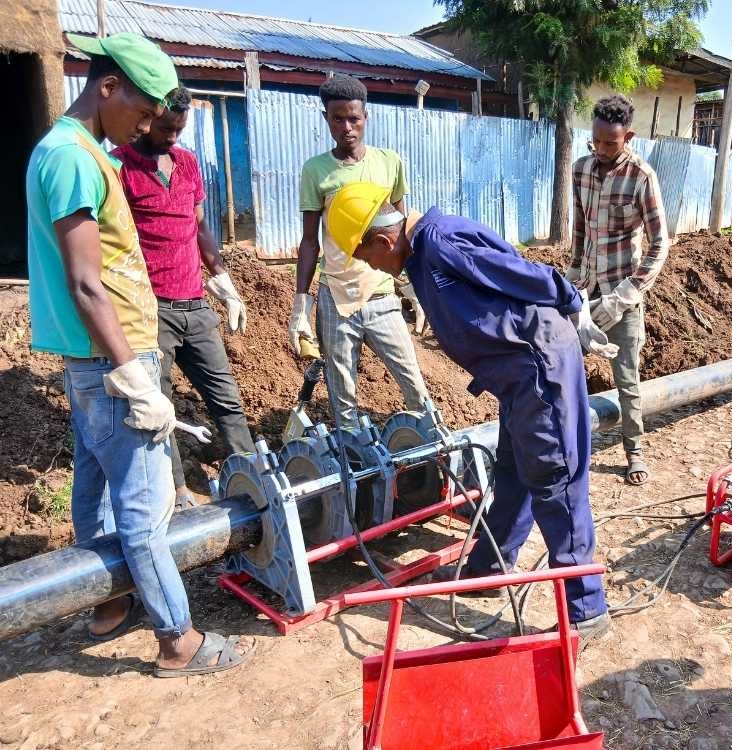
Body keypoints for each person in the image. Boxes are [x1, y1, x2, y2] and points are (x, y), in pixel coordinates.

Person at [25, 32, 251, 676]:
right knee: (146, 504)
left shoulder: (78, 150)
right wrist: (133, 372)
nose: (147, 126)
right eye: (144, 112)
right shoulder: (74, 158)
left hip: (93, 360)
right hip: (111, 359)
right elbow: (87, 281)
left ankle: (107, 602)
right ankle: (177, 638)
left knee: (94, 485)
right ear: (107, 87)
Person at [322, 182, 615, 637]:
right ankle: (489, 568)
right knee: (515, 473)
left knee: (555, 480)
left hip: (535, 367)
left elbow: (517, 272)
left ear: (383, 240)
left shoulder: (441, 243)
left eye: (367, 258)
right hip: (513, 377)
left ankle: (586, 608)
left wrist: (573, 304)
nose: (373, 268)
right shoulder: (421, 256)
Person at [112, 86, 254, 509]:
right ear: (148, 116)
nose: (173, 136)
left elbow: (199, 226)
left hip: (194, 304)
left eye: (180, 128)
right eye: (166, 127)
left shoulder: (187, 163)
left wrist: (222, 277)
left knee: (226, 396)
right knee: (161, 404)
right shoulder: (120, 166)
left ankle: (250, 471)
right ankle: (176, 491)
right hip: (149, 310)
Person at [289, 73, 430, 428]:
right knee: (344, 400)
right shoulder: (316, 171)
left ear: (366, 116)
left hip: (382, 296)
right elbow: (310, 241)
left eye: (354, 118)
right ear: (326, 119)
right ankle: (356, 464)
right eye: (338, 118)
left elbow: (401, 229)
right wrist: (301, 304)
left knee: (415, 385)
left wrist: (414, 286)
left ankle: (433, 452)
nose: (347, 127)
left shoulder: (389, 163)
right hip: (336, 297)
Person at [569, 94, 669, 487]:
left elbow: (661, 243)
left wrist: (626, 294)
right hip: (584, 293)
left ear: (628, 136)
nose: (602, 149)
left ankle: (634, 451)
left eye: (611, 142)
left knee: (626, 379)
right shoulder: (580, 171)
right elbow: (579, 231)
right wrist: (572, 279)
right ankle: (568, 444)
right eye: (596, 141)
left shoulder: (642, 176)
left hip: (622, 295)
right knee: (564, 369)